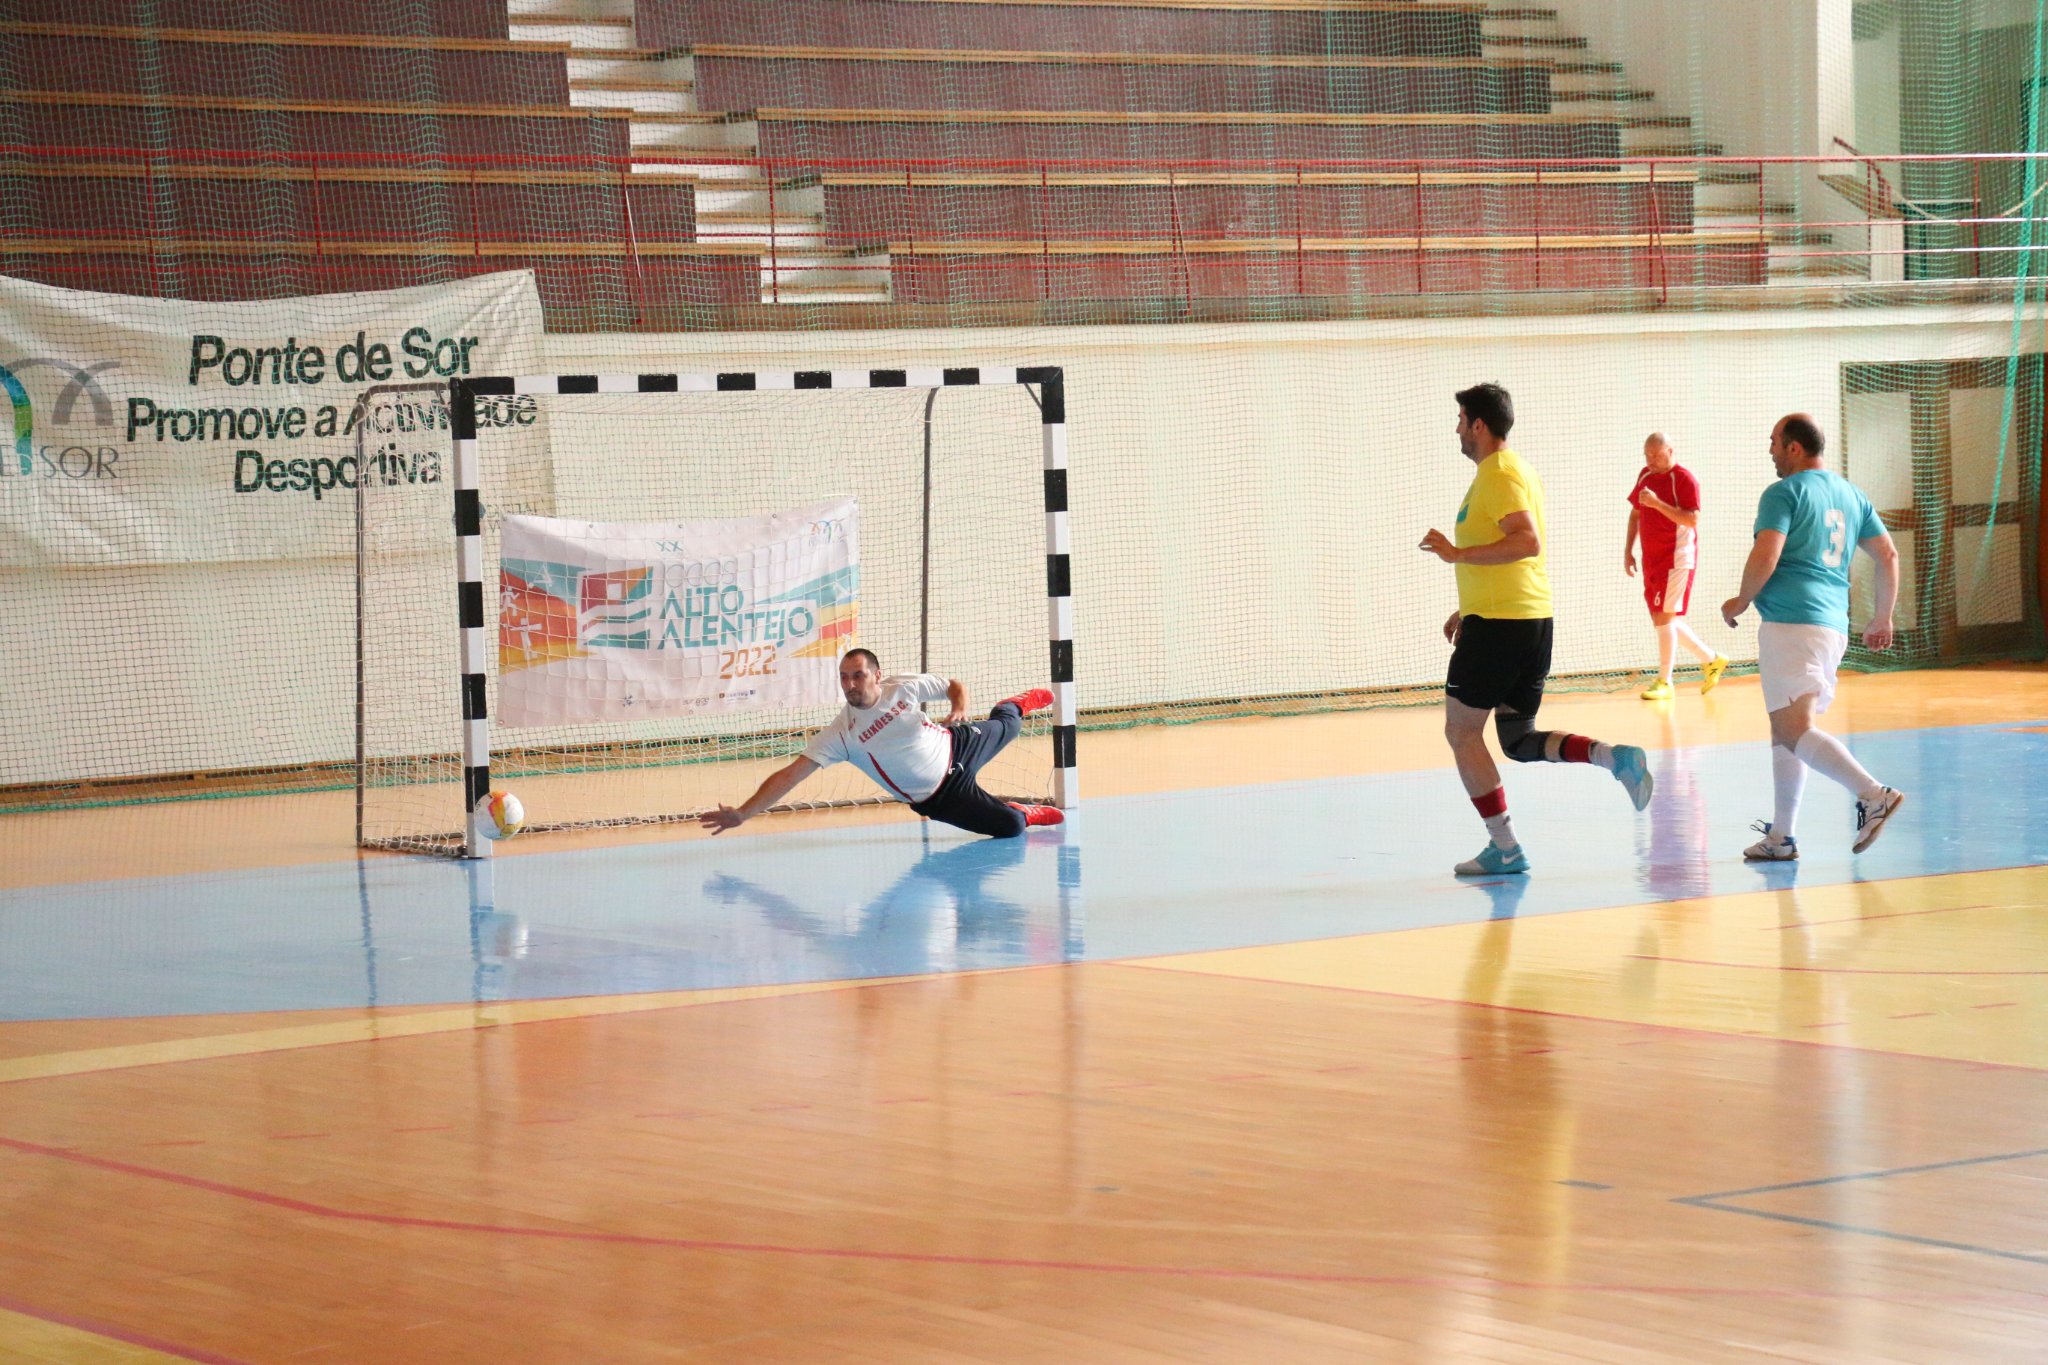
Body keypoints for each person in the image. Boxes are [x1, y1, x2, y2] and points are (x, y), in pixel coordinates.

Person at [1420, 383, 1655, 878]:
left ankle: (1505, 849)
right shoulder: (1512, 471)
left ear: (1479, 425)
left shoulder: (1499, 473)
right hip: (1523, 619)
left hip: (1501, 627)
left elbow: (1526, 541)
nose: (1457, 429)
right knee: (1517, 740)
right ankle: (1615, 759)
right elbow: (1509, 553)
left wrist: (1457, 555)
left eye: (1461, 419)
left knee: (1460, 733)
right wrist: (1468, 605)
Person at [1721, 414, 1905, 860]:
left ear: (1794, 448)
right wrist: (1882, 617)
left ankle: (1872, 793)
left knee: (1794, 727)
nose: (1770, 451)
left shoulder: (1784, 493)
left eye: (1774, 442)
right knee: (1786, 728)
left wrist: (1742, 600)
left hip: (1791, 623)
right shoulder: (1850, 494)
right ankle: (1781, 837)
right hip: (1831, 628)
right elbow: (1887, 554)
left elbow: (1768, 550)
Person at [699, 648, 1063, 839]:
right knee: (1010, 828)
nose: (850, 684)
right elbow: (790, 775)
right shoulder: (842, 733)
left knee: (1009, 725)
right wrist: (744, 813)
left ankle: (1015, 702)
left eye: (857, 675)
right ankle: (1025, 812)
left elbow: (953, 684)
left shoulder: (900, 687)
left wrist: (959, 707)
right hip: (939, 797)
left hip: (956, 745)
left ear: (875, 674)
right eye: (844, 678)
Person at [1624, 433, 1729, 700]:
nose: (1650, 460)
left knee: (1664, 618)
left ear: (1671, 451)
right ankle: (1712, 659)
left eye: (1656, 455)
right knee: (1664, 620)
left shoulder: (1684, 479)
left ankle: (1665, 681)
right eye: (1647, 455)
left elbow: (1692, 520)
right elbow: (1636, 513)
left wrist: (1657, 504)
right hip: (1652, 559)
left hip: (1677, 558)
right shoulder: (1645, 477)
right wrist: (1628, 550)